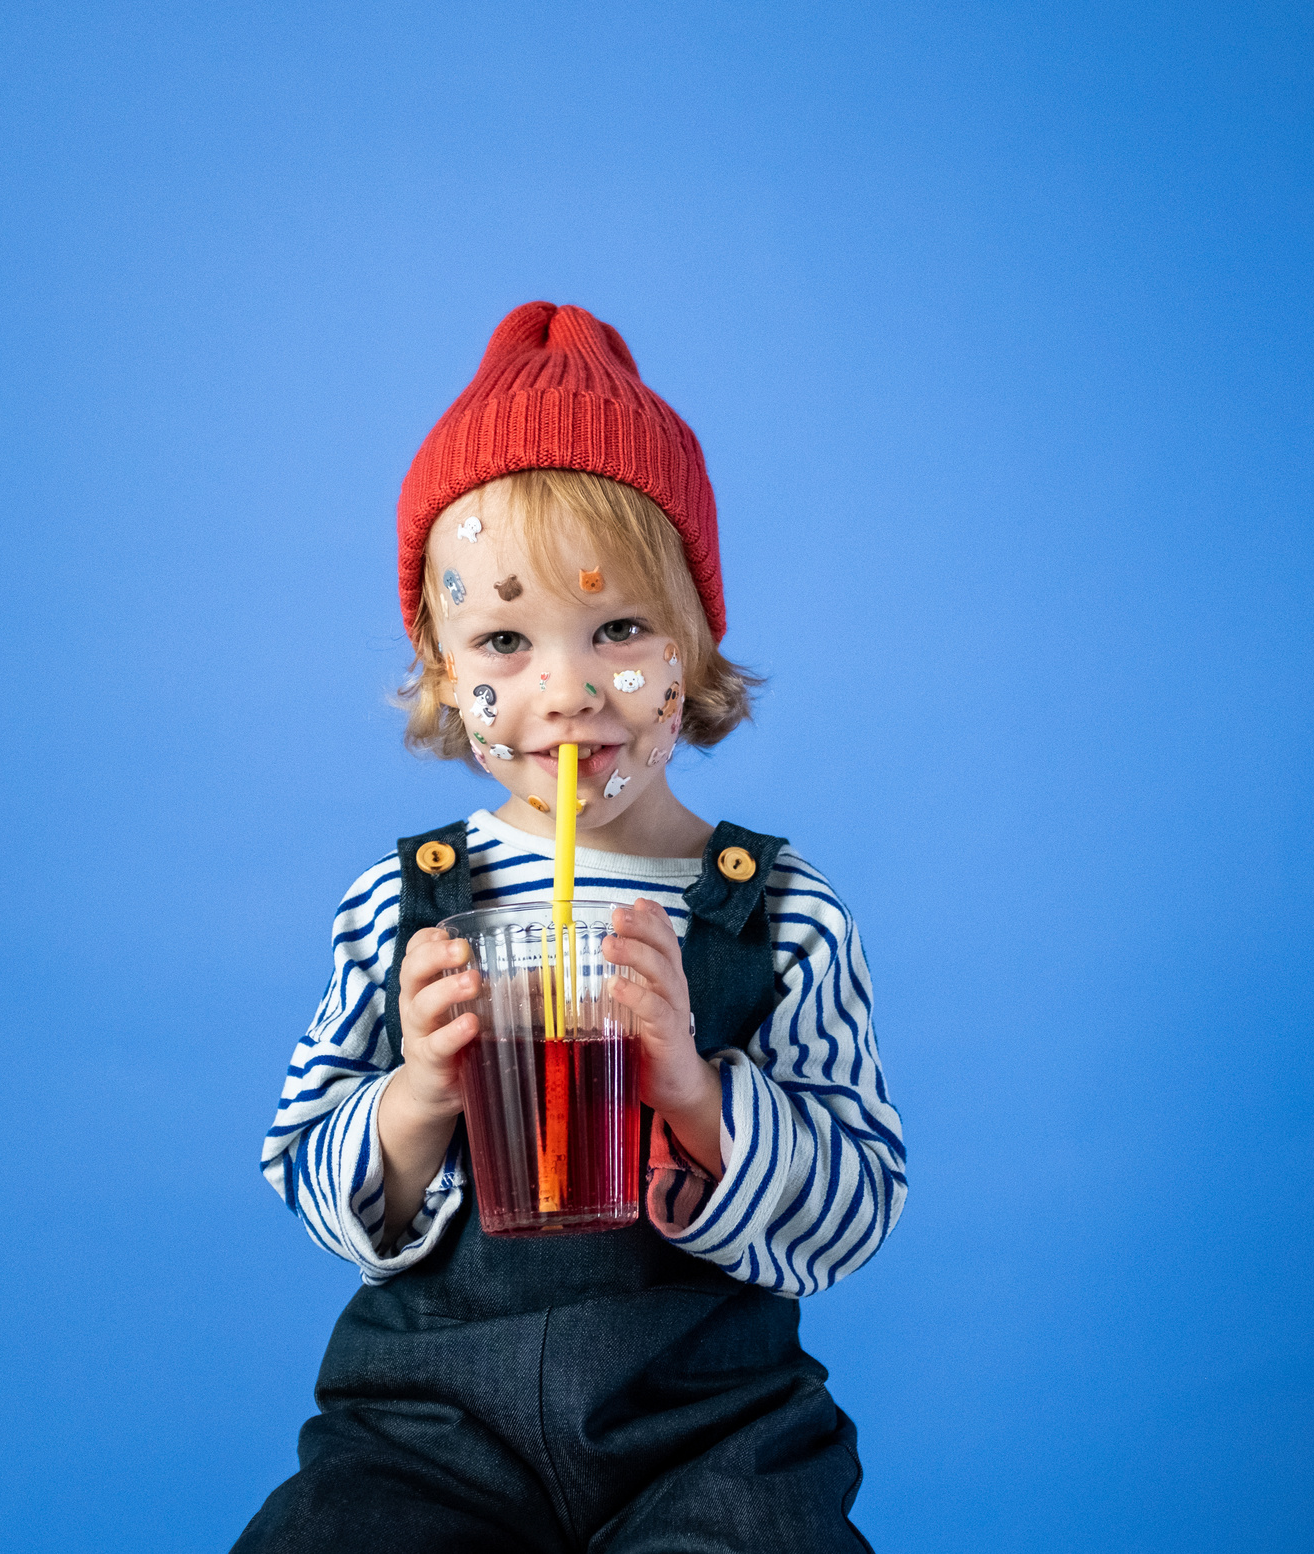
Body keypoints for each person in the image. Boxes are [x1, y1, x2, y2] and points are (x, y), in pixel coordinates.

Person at [236, 302, 906, 1553]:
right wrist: (419, 1095)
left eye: (620, 630)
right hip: (427, 1435)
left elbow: (856, 1210)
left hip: (711, 1435)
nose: (568, 691)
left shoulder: (786, 910)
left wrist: (700, 1096)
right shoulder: (408, 904)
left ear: (694, 643)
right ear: (442, 671)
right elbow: (305, 1172)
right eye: (504, 638)